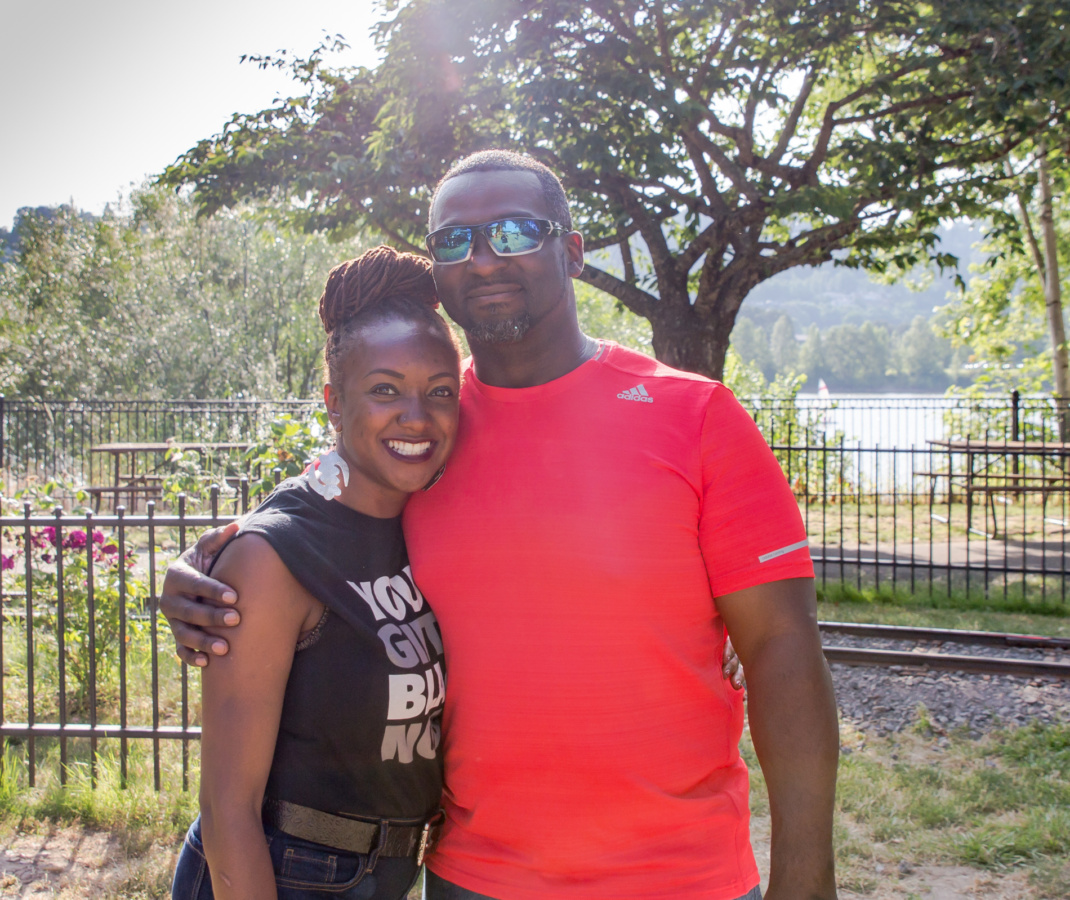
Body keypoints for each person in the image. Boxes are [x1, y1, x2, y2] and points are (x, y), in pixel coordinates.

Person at [163, 151, 839, 900]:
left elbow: (781, 645)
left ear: (572, 251)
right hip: (474, 877)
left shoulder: (696, 416)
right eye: (454, 240)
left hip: (685, 877)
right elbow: (319, 514)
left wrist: (805, 882)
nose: (483, 259)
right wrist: (206, 563)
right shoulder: (428, 427)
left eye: (515, 231)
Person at [170, 246, 461, 900]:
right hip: (284, 872)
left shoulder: (430, 521)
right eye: (384, 389)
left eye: (440, 391)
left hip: (387, 874)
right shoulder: (272, 557)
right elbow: (226, 808)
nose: (417, 415)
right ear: (334, 401)